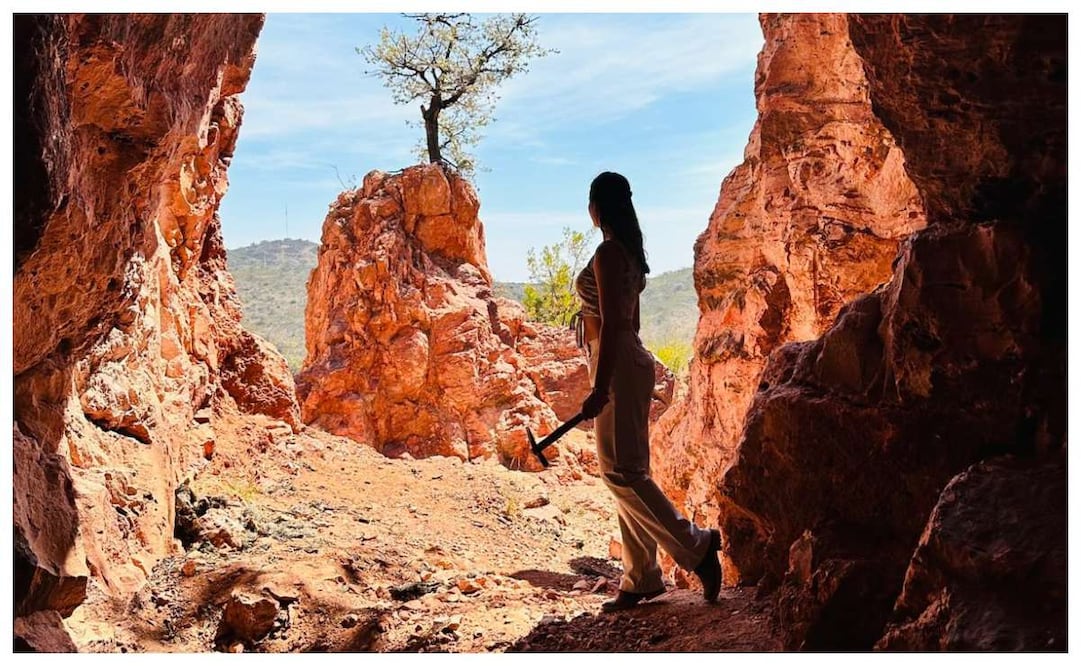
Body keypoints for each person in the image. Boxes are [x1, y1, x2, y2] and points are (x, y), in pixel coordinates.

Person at [575, 171, 721, 613]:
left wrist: (601, 385)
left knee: (621, 473)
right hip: (626, 362)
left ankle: (697, 545)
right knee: (629, 471)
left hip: (616, 366)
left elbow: (618, 326)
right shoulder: (630, 255)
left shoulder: (606, 252)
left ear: (596, 207)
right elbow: (629, 325)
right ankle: (641, 578)